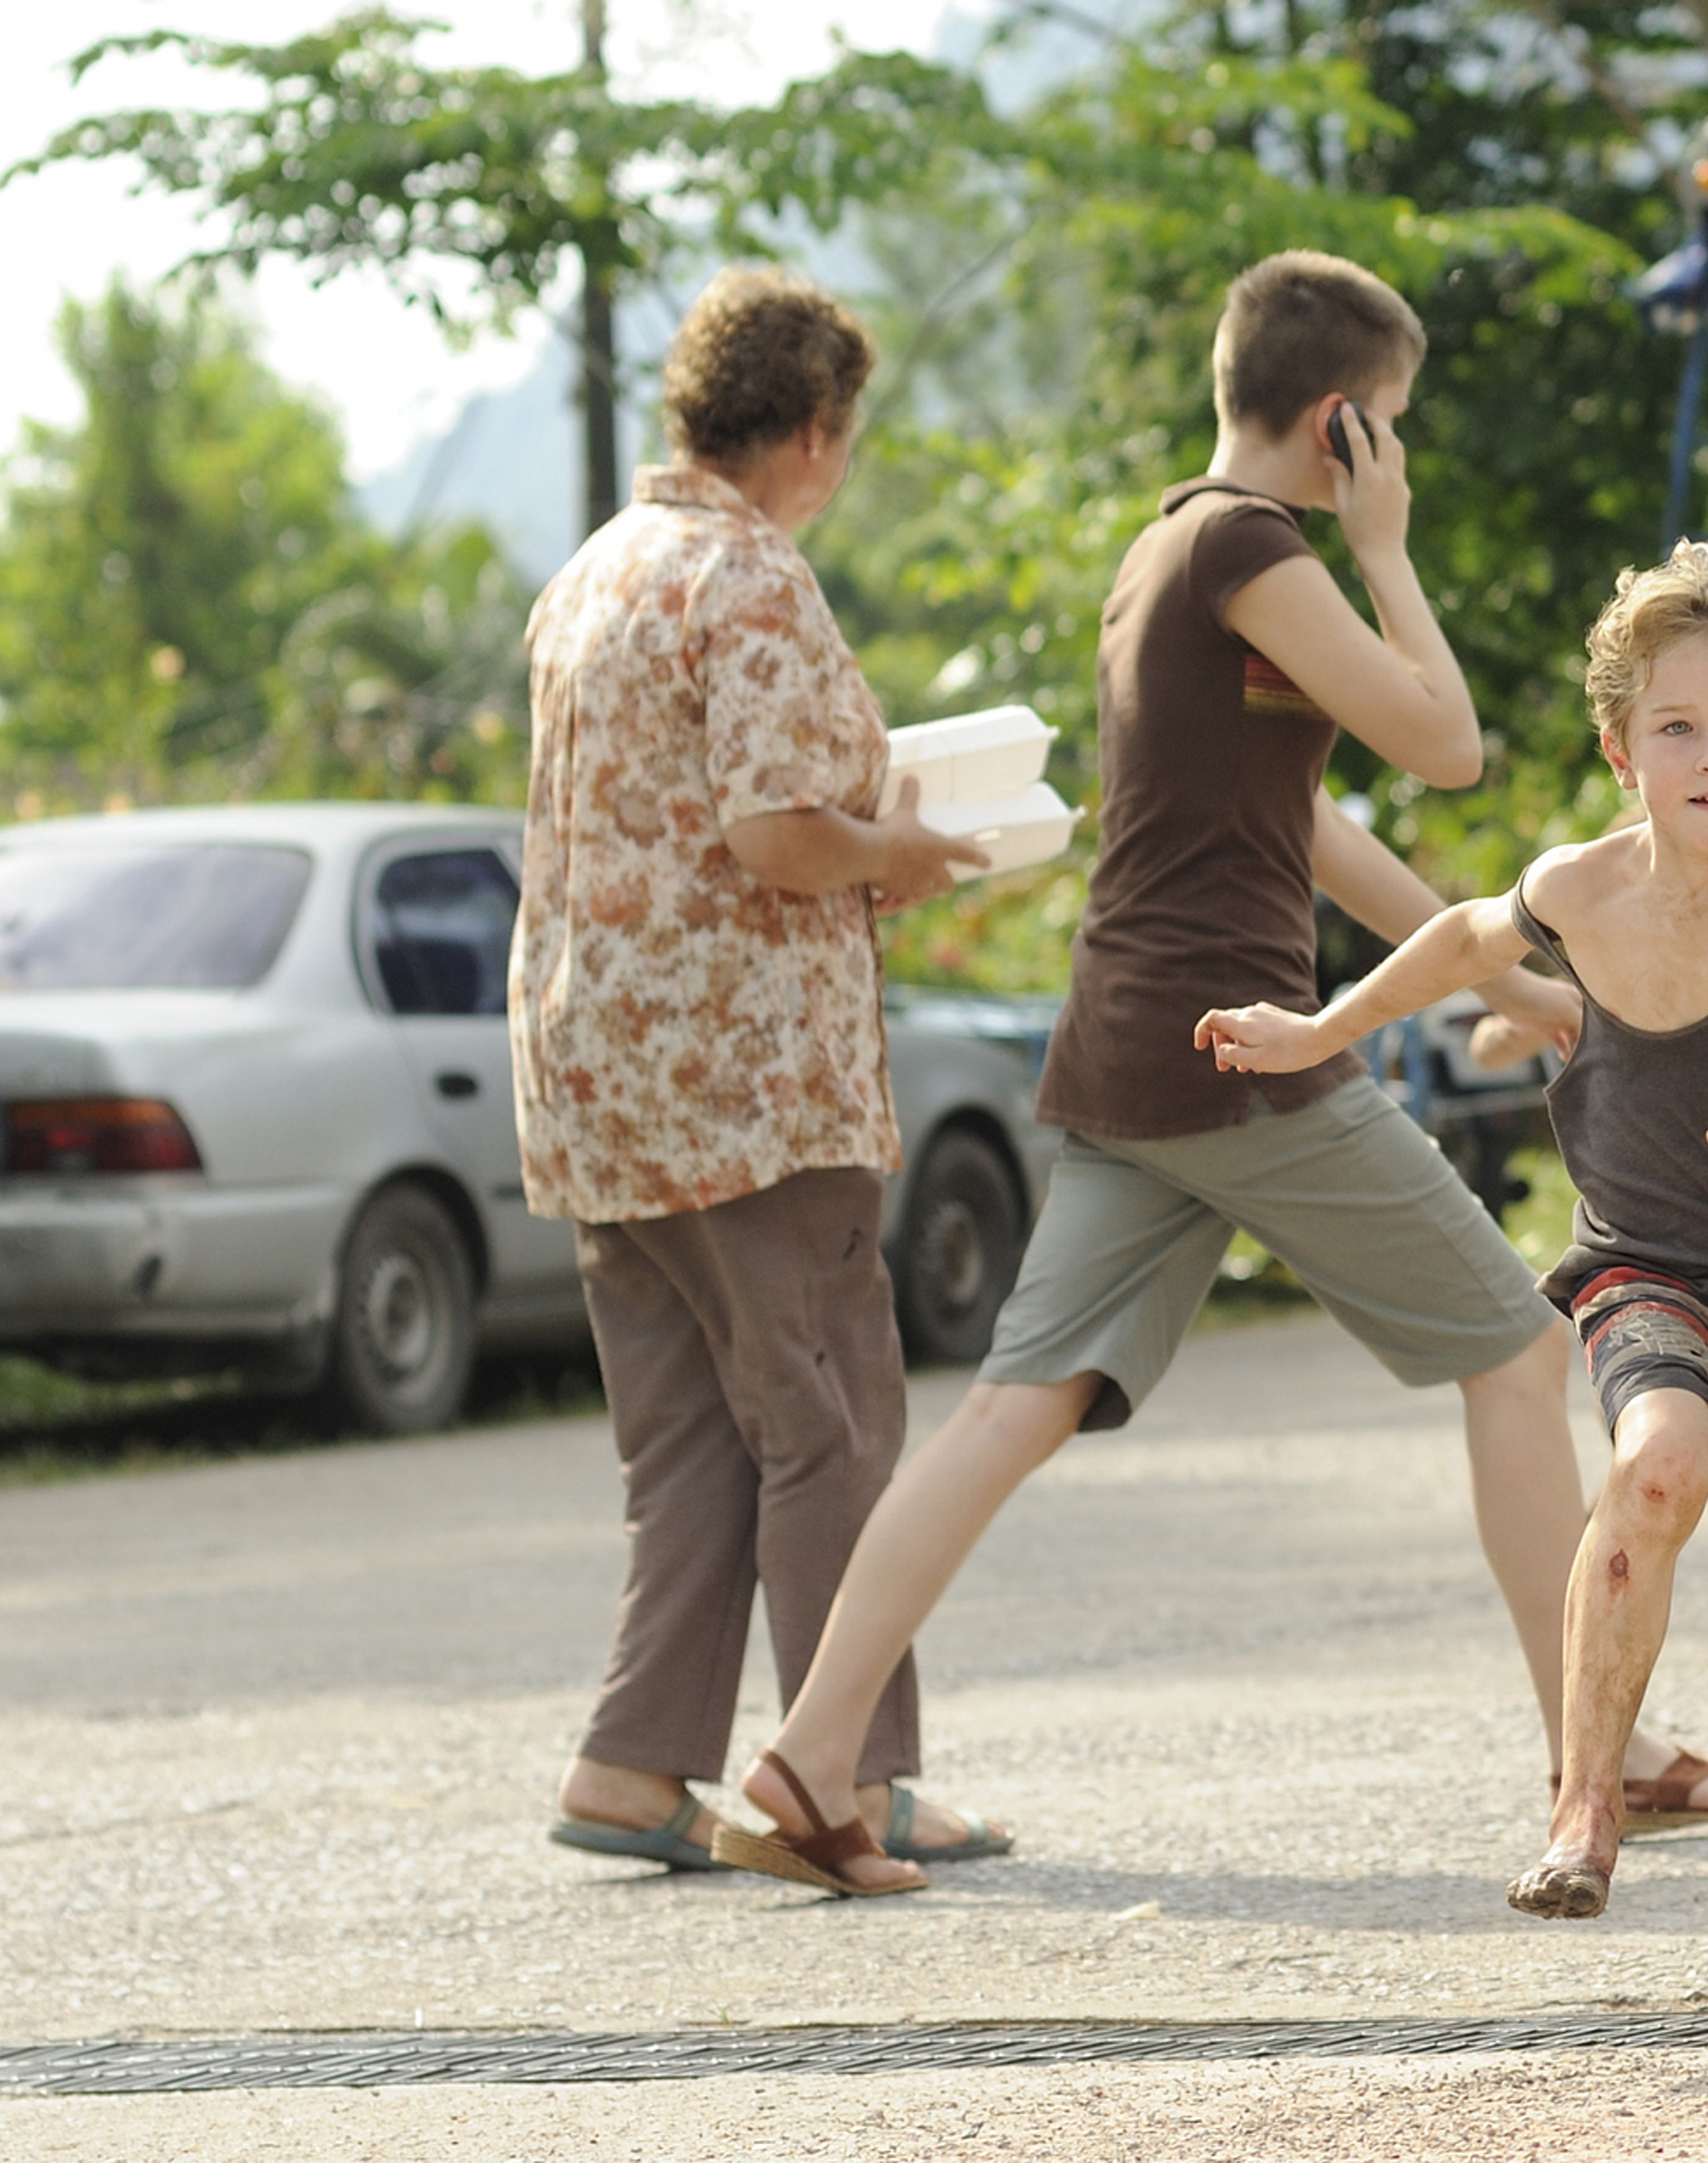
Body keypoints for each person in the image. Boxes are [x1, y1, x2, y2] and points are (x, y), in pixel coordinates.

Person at [715, 250, 1708, 1896]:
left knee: (1008, 1408)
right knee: (1520, 1353)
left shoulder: (1170, 552)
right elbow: (1443, 744)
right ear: (1340, 421)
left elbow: (1307, 822)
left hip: (1133, 1051)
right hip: (1239, 1053)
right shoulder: (1258, 545)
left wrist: (1514, 979)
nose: (1392, 457)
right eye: (1387, 425)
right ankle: (1593, 1751)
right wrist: (1390, 558)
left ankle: (807, 1763)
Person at [1196, 543, 1708, 1920]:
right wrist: (1320, 1029)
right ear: (1623, 750)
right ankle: (1583, 1811)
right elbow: (1462, 942)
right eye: (1678, 728)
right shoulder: (1579, 886)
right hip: (1647, 1271)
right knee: (1656, 1469)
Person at [516, 269, 1006, 1879]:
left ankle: (631, 1764)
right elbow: (778, 835)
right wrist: (906, 853)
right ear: (810, 430)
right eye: (844, 438)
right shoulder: (751, 574)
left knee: (690, 1446)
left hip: (599, 1075)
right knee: (830, 1428)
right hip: (746, 1080)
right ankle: (853, 1773)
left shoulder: (596, 570)